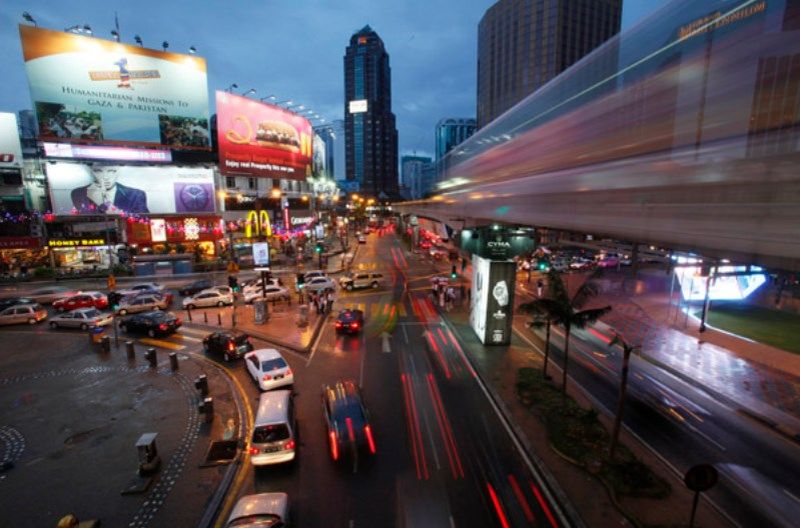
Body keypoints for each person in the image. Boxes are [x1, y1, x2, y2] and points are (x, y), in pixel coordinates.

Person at [71, 164, 149, 214]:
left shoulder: (135, 195)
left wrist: (103, 204)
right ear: (91, 172)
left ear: (119, 171)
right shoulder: (79, 193)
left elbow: (144, 222)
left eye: (111, 171)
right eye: (98, 171)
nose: (105, 177)